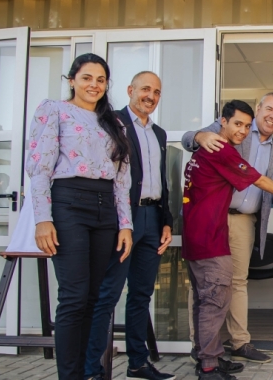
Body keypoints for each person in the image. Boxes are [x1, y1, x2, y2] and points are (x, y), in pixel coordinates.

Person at [183, 100, 273, 380]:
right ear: (224, 122)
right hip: (211, 230)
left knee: (222, 289)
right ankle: (207, 361)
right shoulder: (220, 145)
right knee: (212, 294)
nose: (242, 129)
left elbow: (270, 191)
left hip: (219, 226)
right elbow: (259, 180)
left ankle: (221, 351)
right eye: (269, 110)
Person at [26, 53, 133, 379]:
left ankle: (88, 373)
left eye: (100, 79)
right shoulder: (53, 110)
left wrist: (125, 225)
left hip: (105, 209)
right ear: (72, 79)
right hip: (68, 203)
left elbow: (122, 178)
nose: (94, 85)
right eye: (87, 77)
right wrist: (43, 219)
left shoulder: (113, 123)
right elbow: (39, 167)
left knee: (93, 298)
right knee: (73, 297)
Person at [83, 71, 176, 380]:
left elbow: (161, 180)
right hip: (122, 219)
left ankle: (137, 363)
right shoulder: (111, 123)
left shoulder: (159, 134)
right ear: (130, 90)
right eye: (145, 89)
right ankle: (91, 370)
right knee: (108, 294)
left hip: (152, 218)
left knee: (141, 295)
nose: (151, 95)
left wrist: (167, 221)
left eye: (157, 91)